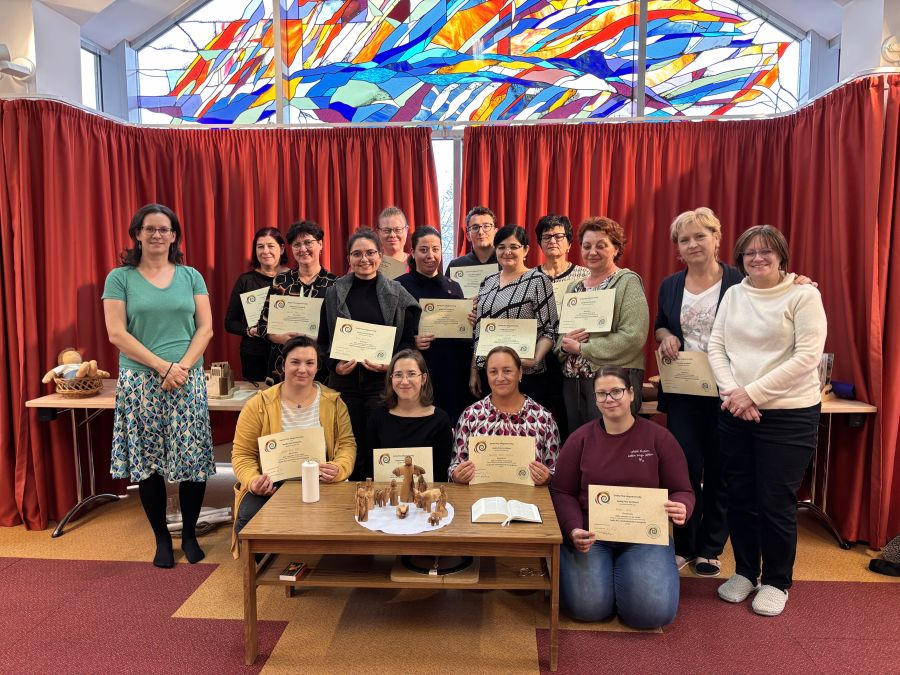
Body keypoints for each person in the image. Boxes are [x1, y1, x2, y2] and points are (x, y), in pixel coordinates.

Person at [708, 225, 826, 617]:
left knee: (775, 502)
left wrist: (752, 394)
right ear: (740, 259)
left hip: (789, 415)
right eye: (749, 253)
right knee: (739, 496)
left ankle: (777, 581)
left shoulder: (804, 295)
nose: (758, 258)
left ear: (781, 255)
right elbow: (716, 346)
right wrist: (734, 393)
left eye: (766, 251)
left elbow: (807, 357)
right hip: (736, 410)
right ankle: (745, 571)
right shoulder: (734, 294)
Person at [102, 203, 214, 568]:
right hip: (140, 381)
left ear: (174, 235)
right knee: (148, 464)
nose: (157, 234)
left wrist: (181, 368)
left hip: (187, 379)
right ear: (137, 234)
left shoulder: (191, 276)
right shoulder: (120, 278)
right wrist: (163, 367)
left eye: (164, 229)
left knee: (192, 460)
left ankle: (190, 534)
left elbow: (205, 328)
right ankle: (162, 539)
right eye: (149, 228)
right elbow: (117, 333)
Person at [550, 365, 694, 628]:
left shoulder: (659, 438)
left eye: (616, 391)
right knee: (586, 608)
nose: (609, 399)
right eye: (601, 394)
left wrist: (683, 506)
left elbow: (683, 490)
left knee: (652, 615)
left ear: (631, 393)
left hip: (644, 535)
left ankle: (627, 578)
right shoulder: (580, 439)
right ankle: (612, 579)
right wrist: (573, 530)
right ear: (595, 399)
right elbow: (562, 492)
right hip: (592, 535)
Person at [230, 336, 356, 556]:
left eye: (309, 363)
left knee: (349, 521)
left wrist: (339, 468)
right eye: (295, 362)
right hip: (272, 485)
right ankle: (263, 563)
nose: (302, 369)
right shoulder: (258, 404)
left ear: (317, 367)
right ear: (283, 365)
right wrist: (253, 481)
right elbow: (242, 454)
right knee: (248, 519)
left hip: (322, 482)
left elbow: (347, 444)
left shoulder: (334, 402)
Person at [319, 227, 421, 480]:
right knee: (348, 442)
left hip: (382, 382)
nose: (364, 259)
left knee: (379, 440)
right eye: (357, 254)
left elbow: (408, 342)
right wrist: (334, 366)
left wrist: (391, 365)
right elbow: (323, 341)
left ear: (380, 256)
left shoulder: (397, 293)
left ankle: (380, 493)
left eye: (370, 253)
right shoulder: (333, 292)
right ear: (348, 258)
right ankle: (353, 495)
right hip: (345, 382)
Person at [556, 217, 649, 427]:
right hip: (572, 382)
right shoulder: (574, 288)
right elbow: (562, 336)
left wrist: (582, 348)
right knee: (580, 440)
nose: (592, 252)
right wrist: (564, 344)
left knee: (610, 440)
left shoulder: (627, 282)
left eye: (601, 245)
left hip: (612, 382)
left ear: (616, 248)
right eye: (586, 246)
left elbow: (633, 336)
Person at [470, 225, 558, 407]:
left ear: (525, 250)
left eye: (514, 247)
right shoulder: (487, 282)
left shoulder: (538, 280)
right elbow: (480, 330)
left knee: (524, 423)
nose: (507, 252)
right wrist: (474, 370)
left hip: (524, 374)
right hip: (490, 373)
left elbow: (550, 329)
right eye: (501, 247)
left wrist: (535, 359)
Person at [450, 346, 559, 486]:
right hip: (480, 497)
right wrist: (457, 476)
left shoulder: (543, 418)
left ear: (520, 373)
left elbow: (556, 472)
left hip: (529, 498)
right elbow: (454, 467)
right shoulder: (470, 416)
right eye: (493, 371)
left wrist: (547, 478)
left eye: (507, 371)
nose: (500, 378)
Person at [396, 225, 472, 423]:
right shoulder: (399, 286)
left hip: (454, 369)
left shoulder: (453, 286)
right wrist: (411, 341)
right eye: (423, 250)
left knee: (452, 421)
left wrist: (470, 323)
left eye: (435, 249)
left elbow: (463, 333)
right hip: (421, 369)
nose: (430, 255)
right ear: (412, 252)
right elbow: (392, 330)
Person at [257, 220, 338, 383]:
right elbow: (262, 325)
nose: (302, 249)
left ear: (320, 244)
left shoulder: (335, 284)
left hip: (321, 367)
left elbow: (340, 330)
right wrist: (281, 338)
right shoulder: (280, 281)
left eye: (308, 243)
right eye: (296, 244)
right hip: (283, 365)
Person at [535, 213, 589, 441]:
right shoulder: (530, 277)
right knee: (540, 415)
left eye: (559, 236)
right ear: (539, 243)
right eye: (546, 237)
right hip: (539, 356)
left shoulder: (585, 275)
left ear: (569, 243)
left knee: (572, 419)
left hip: (573, 355)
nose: (552, 241)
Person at [365, 349, 454, 481]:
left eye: (411, 374)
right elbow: (369, 467)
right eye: (398, 375)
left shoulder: (440, 420)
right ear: (391, 379)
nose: (405, 381)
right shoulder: (377, 417)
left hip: (427, 492)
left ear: (423, 378)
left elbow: (442, 472)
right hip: (387, 492)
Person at [224, 227, 289, 382]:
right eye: (260, 246)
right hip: (254, 355)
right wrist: (249, 330)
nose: (265, 251)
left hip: (288, 353)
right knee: (257, 397)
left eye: (270, 246)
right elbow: (230, 323)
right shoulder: (246, 281)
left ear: (281, 248)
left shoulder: (293, 278)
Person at [446, 206, 499, 272]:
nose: (481, 232)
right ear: (468, 236)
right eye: (475, 227)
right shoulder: (455, 266)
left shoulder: (507, 262)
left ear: (495, 232)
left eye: (486, 226)